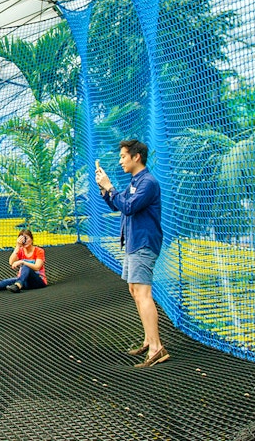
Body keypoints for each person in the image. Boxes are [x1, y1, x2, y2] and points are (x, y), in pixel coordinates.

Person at [95, 138, 167, 368]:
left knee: (143, 293)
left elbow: (128, 206)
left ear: (136, 157)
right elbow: (119, 204)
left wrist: (110, 187)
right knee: (135, 290)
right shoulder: (135, 182)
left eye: (123, 156)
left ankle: (156, 348)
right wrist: (105, 189)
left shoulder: (148, 183)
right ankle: (149, 340)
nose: (121, 161)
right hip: (133, 242)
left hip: (144, 242)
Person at [0, 229, 46, 293]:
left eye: (26, 238)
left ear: (31, 239)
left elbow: (37, 267)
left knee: (26, 266)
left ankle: (18, 285)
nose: (24, 241)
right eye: (22, 239)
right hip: (25, 281)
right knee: (8, 281)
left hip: (38, 281)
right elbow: (11, 262)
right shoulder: (21, 251)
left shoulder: (39, 251)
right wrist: (17, 246)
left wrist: (22, 262)